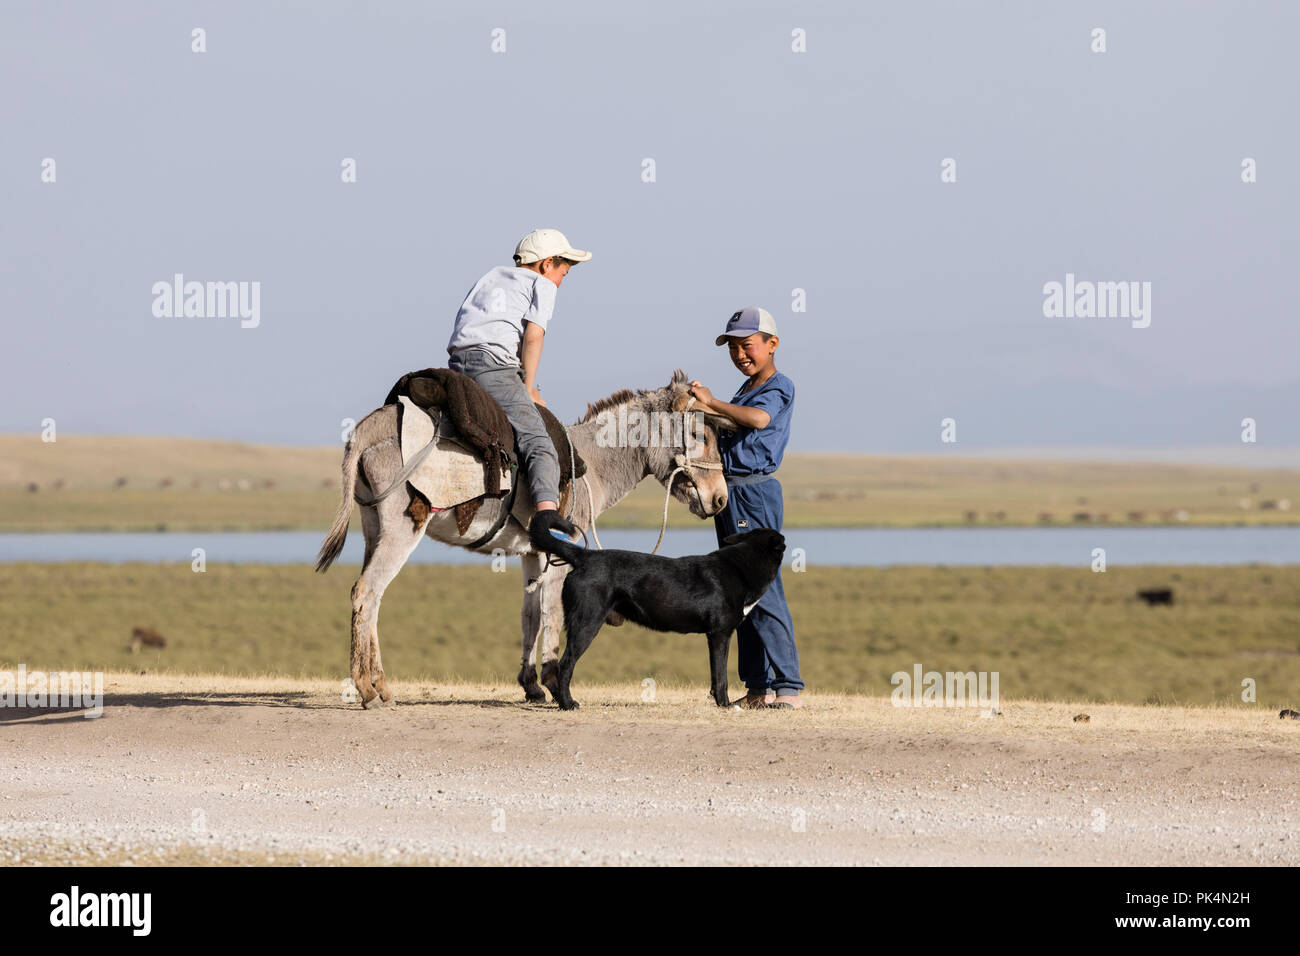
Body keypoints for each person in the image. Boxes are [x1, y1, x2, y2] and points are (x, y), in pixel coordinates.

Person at [688, 307, 804, 709]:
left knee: (765, 592)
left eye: (748, 345)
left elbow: (756, 420)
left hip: (753, 494)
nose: (740, 354)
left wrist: (713, 403)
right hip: (730, 493)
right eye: (734, 348)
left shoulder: (778, 386)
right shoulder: (745, 388)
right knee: (739, 595)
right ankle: (759, 688)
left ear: (773, 344)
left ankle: (788, 688)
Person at [446, 228, 589, 539]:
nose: (562, 280)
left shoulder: (491, 276)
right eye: (563, 272)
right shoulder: (542, 284)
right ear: (546, 263)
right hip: (493, 368)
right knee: (539, 442)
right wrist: (529, 387)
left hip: (457, 364)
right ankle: (546, 520)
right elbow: (534, 337)